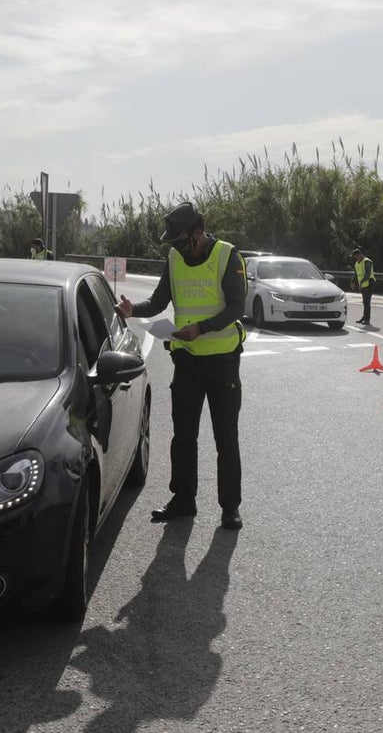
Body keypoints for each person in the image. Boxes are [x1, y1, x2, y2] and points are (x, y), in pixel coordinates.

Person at [115, 202, 247, 530]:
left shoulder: (227, 256)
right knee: (183, 436)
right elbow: (160, 301)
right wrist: (134, 311)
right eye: (173, 242)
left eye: (181, 240)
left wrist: (201, 328)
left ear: (198, 233)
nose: (176, 247)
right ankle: (183, 500)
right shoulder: (175, 258)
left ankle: (230, 507)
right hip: (186, 359)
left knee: (225, 437)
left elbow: (236, 307)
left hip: (222, 361)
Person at [351, 247, 375, 324]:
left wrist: (361, 283)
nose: (355, 258)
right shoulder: (356, 263)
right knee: (365, 302)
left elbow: (367, 274)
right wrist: (353, 282)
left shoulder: (367, 261)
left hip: (369, 283)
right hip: (363, 284)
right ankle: (364, 317)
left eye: (356, 256)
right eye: (354, 257)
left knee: (366, 302)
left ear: (360, 255)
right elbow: (356, 273)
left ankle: (367, 320)